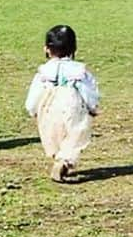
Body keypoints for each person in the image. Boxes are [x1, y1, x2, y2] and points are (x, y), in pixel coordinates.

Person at [25, 24, 100, 184]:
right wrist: (92, 106)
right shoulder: (80, 71)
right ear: (74, 48)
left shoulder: (44, 72)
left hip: (48, 104)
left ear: (46, 49)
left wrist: (32, 109)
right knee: (76, 134)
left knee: (51, 133)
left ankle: (57, 156)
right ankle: (64, 160)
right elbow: (88, 90)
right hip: (72, 103)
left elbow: (35, 92)